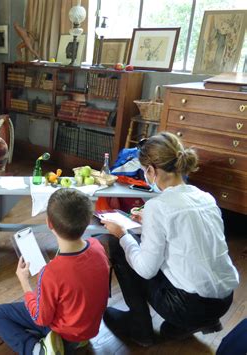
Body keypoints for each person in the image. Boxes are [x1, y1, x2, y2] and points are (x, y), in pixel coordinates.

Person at [101, 132, 239, 346]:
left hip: (188, 304)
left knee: (119, 245)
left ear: (151, 170)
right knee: (175, 267)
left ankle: (140, 328)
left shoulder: (159, 206)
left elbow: (146, 270)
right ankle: (191, 323)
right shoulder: (206, 197)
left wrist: (122, 234)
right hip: (223, 300)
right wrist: (150, 219)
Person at [0, 189, 110, 354]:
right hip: (88, 331)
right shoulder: (97, 246)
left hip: (65, 333)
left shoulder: (51, 272)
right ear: (88, 221)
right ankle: (74, 343)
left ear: (49, 223)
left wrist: (24, 282)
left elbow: (40, 317)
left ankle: (37, 349)